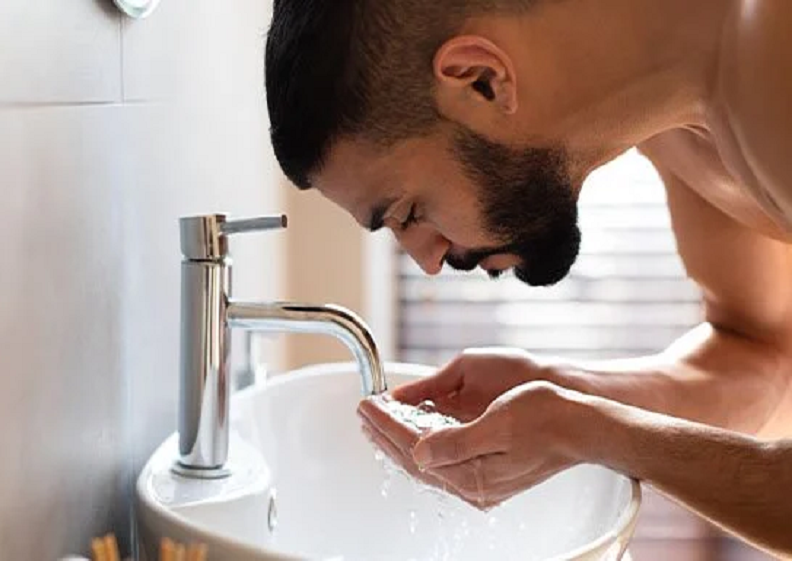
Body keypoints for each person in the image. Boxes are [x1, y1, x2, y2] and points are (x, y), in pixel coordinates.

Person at [263, 0, 792, 556]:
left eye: (409, 212)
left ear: (481, 81)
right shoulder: (679, 111)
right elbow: (766, 357)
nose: (428, 260)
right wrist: (564, 395)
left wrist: (588, 432)